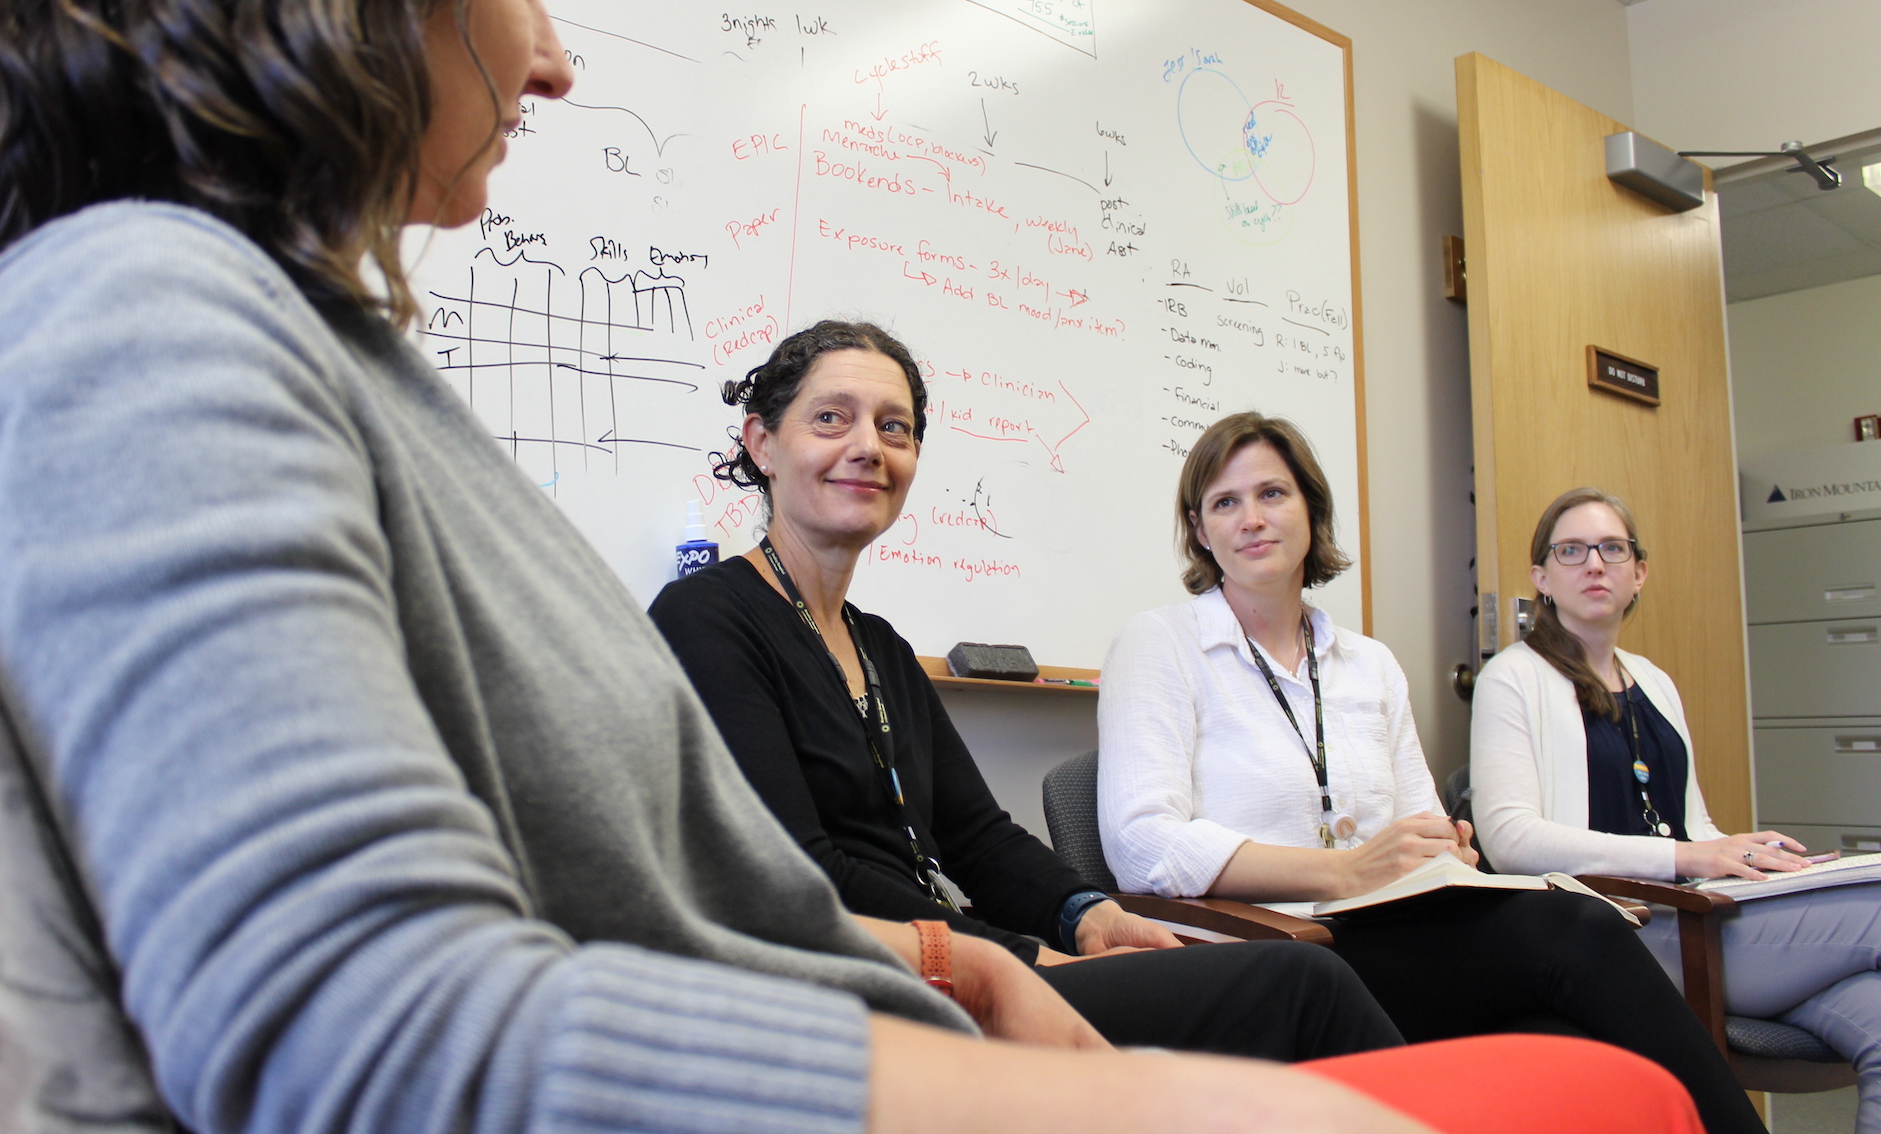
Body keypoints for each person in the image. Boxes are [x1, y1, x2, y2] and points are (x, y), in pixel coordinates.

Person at [0, 0, 1708, 1129]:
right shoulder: (135, 322)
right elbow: (364, 1030)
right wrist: (1139, 1104)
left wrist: (941, 954)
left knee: (1556, 1020)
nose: (558, 55)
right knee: (1562, 1087)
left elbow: (641, 885)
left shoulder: (310, 355)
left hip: (894, 1005)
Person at [649, 322, 1403, 1064]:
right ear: (761, 444)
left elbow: (980, 837)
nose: (868, 446)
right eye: (829, 418)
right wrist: (1021, 960)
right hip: (855, 988)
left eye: (895, 427)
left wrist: (1087, 914)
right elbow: (796, 873)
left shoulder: (879, 646)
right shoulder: (706, 617)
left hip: (960, 960)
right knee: (1301, 987)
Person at [1097, 412, 1766, 1134]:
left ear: (1311, 510)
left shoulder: (1369, 664)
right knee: (1575, 929)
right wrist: (1343, 870)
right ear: (1200, 529)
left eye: (1272, 494)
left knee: (1563, 1033)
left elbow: (1415, 819)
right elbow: (1145, 843)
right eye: (1225, 503)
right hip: (1267, 953)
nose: (1251, 518)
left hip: (1379, 936)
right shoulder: (1160, 642)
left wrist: (1444, 851)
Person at [1472, 487, 1881, 1130]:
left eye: (1613, 548)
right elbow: (1510, 840)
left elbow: (1693, 829)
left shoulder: (1653, 680)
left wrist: (1749, 857)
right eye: (1571, 550)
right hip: (1622, 934)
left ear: (1639, 573)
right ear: (1542, 578)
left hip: (1699, 912)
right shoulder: (1513, 678)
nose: (1594, 564)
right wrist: (1692, 855)